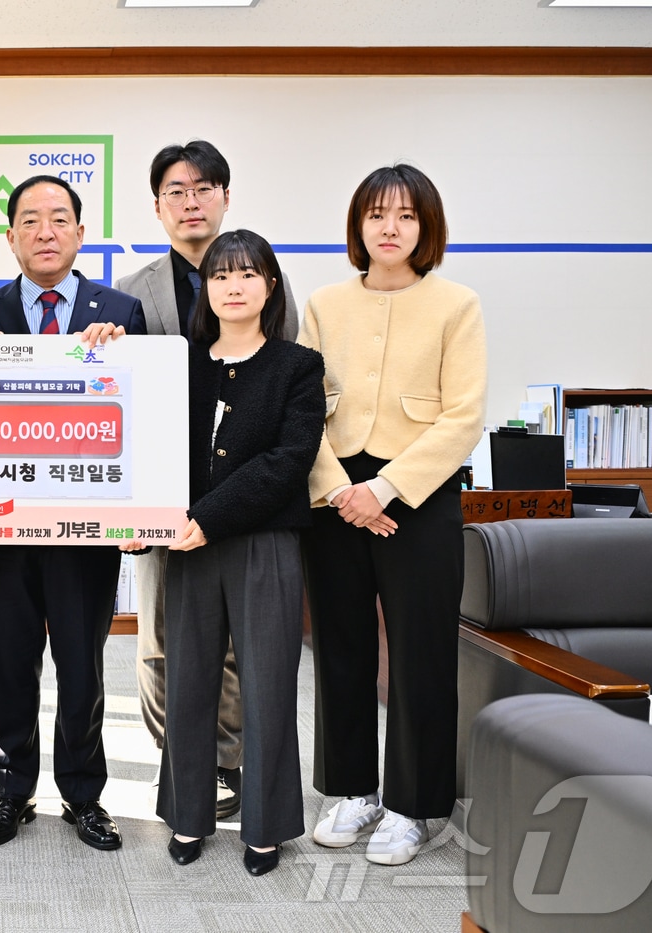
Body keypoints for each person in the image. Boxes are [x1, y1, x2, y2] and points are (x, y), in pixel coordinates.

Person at [301, 164, 486, 866]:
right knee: (341, 647)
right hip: (334, 496)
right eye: (377, 213)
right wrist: (339, 489)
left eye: (406, 215)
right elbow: (302, 408)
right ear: (358, 224)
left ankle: (413, 806)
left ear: (426, 226)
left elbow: (463, 416)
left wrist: (385, 489)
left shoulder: (457, 304)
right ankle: (354, 790)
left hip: (420, 494)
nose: (390, 227)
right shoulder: (324, 304)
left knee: (420, 653)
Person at [0, 175, 146, 852]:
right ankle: (11, 791)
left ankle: (83, 795)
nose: (45, 231)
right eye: (30, 220)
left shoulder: (119, 311)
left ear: (80, 233)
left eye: (59, 218)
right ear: (10, 236)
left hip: (86, 531)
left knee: (82, 666)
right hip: (5, 529)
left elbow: (141, 415)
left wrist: (119, 352)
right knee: (8, 663)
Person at [115, 139, 301, 820]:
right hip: (161, 501)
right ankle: (179, 762)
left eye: (203, 189)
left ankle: (226, 764)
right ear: (158, 206)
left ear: (225, 196)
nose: (190, 202)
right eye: (176, 191)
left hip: (244, 498)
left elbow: (283, 384)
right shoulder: (130, 291)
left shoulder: (266, 276)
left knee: (235, 648)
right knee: (161, 642)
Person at [154, 230, 323, 876]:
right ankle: (188, 815)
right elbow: (156, 448)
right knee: (188, 681)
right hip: (187, 545)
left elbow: (288, 462)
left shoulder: (297, 366)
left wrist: (208, 517)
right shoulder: (181, 363)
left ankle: (266, 827)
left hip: (263, 543)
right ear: (206, 289)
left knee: (269, 684)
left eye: (248, 274)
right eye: (221, 275)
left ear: (270, 286)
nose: (233, 286)